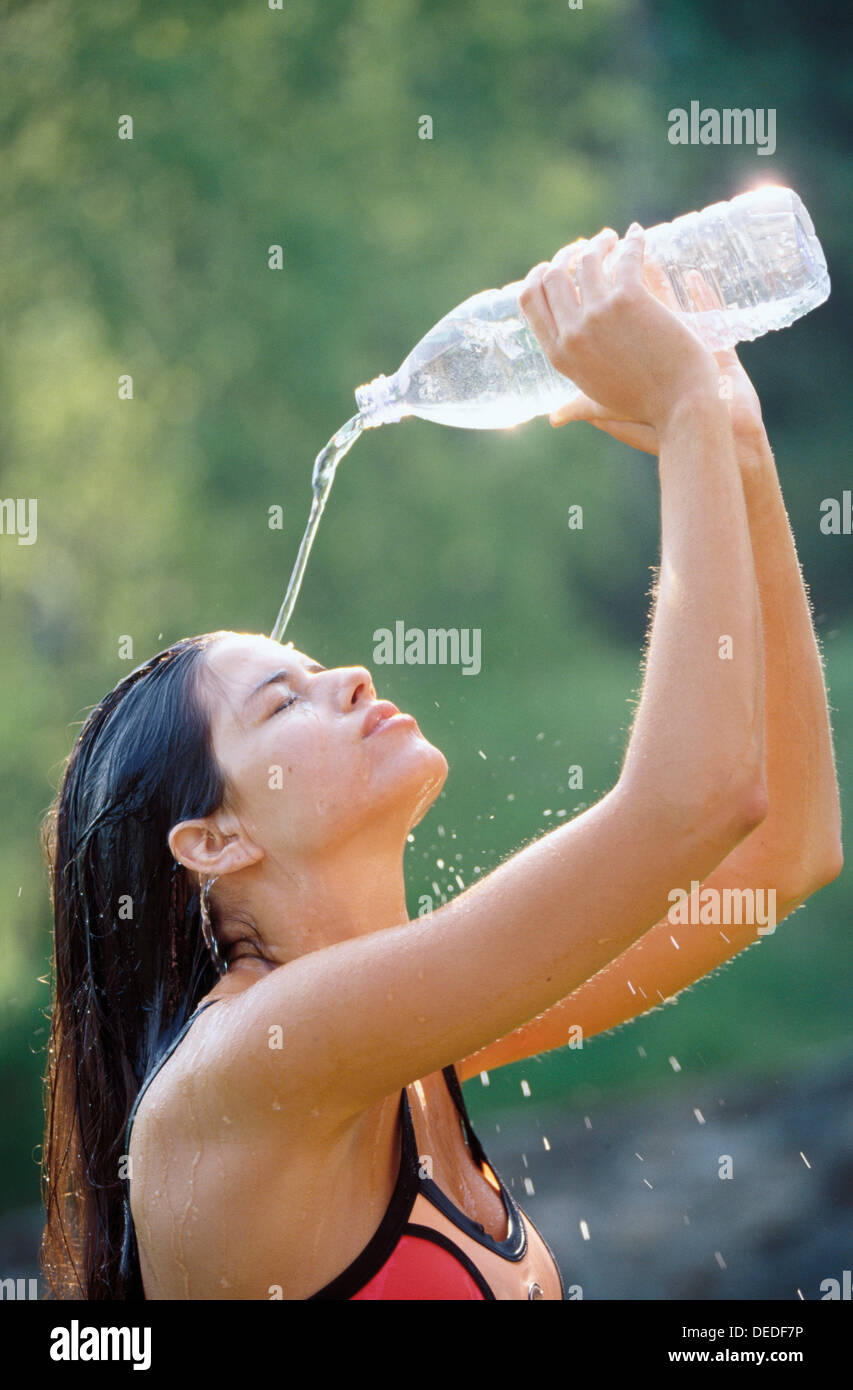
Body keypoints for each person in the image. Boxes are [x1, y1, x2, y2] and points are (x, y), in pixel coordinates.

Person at [40, 226, 842, 1300]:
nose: (351, 677)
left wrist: (736, 445)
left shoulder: (412, 1046)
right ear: (213, 840)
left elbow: (782, 852)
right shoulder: (251, 1062)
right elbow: (692, 804)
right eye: (283, 701)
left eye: (317, 668)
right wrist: (684, 411)